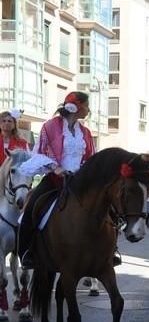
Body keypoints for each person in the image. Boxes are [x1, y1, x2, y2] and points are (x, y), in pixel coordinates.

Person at [17, 91, 95, 268]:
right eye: (87, 106)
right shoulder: (49, 126)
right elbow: (40, 151)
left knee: (106, 207)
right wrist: (56, 168)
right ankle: (27, 253)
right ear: (76, 107)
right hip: (55, 180)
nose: (89, 110)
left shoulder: (86, 132)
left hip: (81, 183)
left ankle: (108, 251)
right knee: (31, 209)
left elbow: (91, 157)